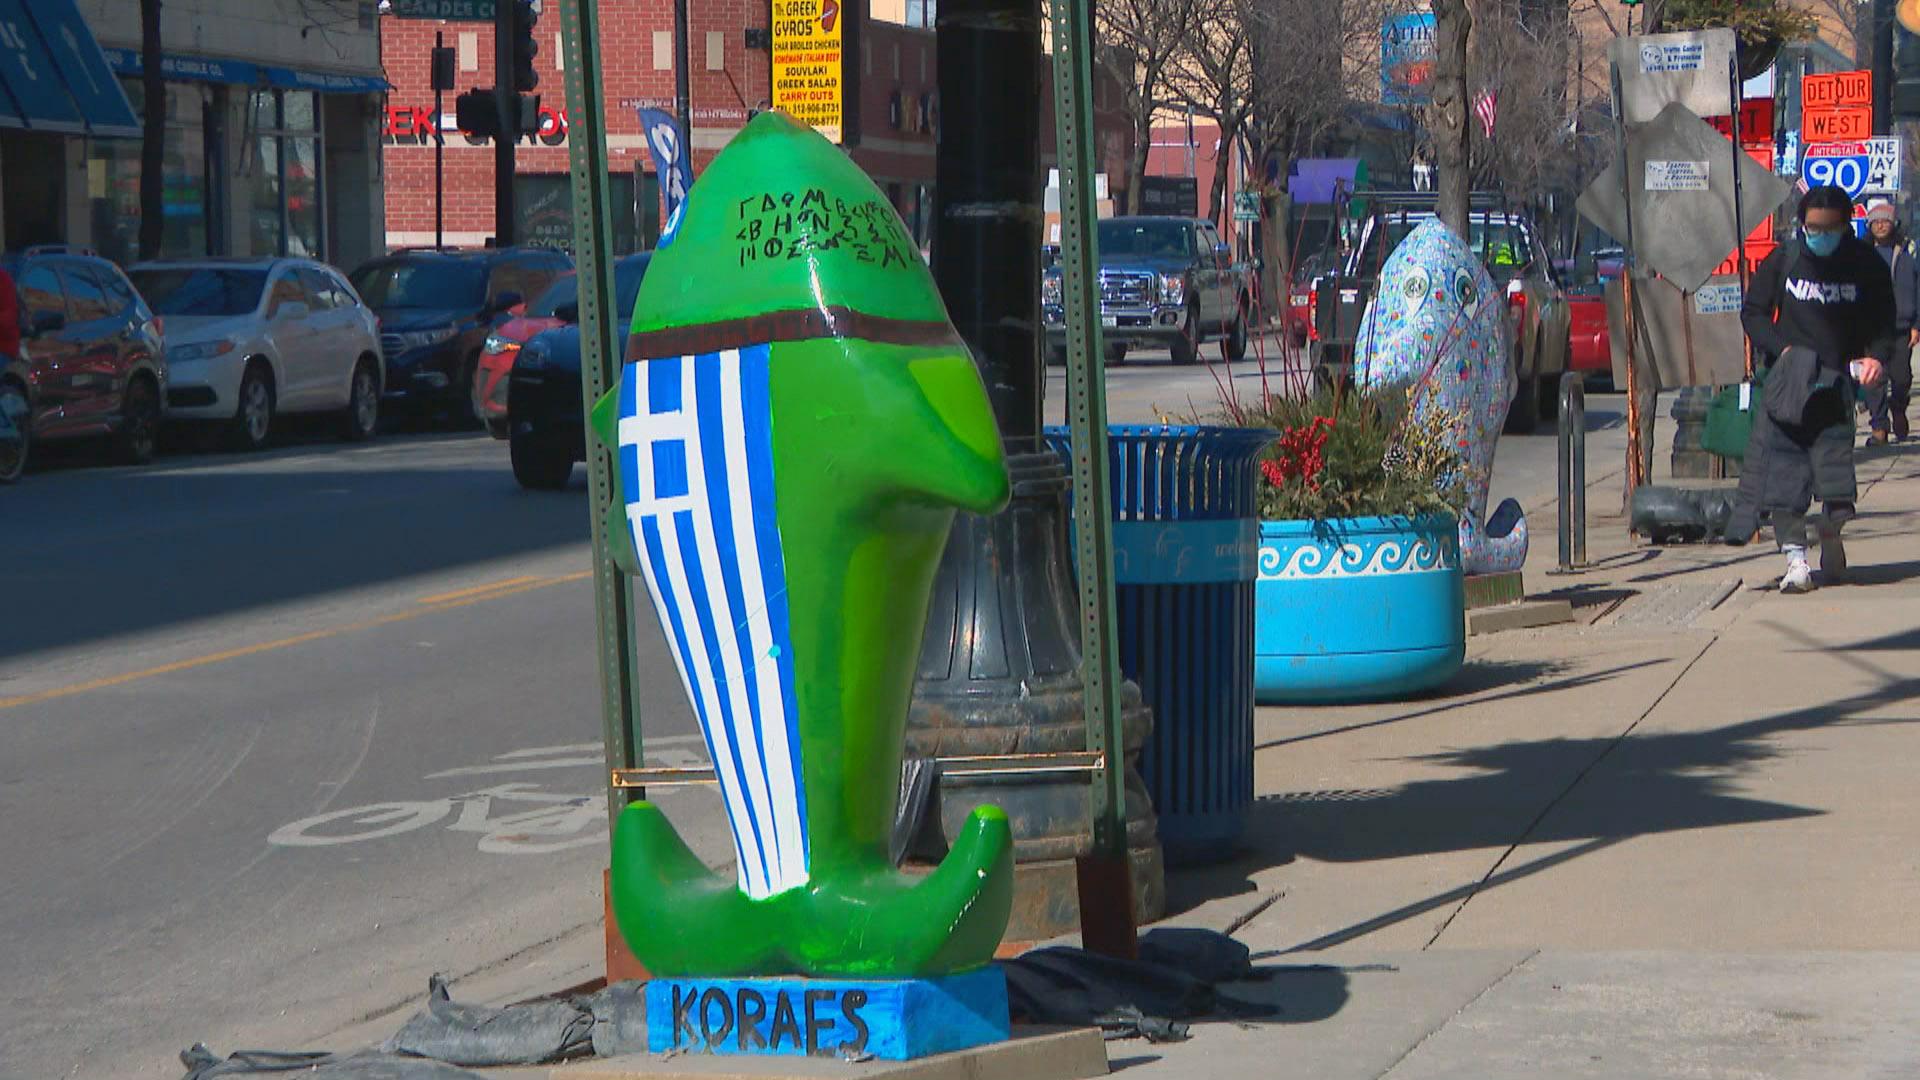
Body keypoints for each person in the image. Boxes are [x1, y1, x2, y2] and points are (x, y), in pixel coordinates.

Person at [1730, 185, 1891, 594]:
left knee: (1835, 480)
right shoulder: (1785, 258)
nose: (1820, 235)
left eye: (1830, 228)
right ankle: (1795, 561)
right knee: (1784, 478)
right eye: (1813, 228)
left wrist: (1876, 357)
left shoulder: (1865, 264)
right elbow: (1753, 312)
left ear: (1846, 226)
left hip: (1836, 387)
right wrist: (1781, 350)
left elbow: (1885, 320)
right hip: (1788, 387)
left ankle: (1831, 533)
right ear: (1802, 225)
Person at [1864, 202, 1918, 442]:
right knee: (1873, 379)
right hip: (1871, 328)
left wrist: (1917, 324)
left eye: (1885, 221)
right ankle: (1879, 426)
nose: (1880, 225)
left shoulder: (1908, 251)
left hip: (1901, 327)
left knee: (1902, 377)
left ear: (1894, 224)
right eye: (1875, 222)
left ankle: (1898, 409)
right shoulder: (1861, 254)